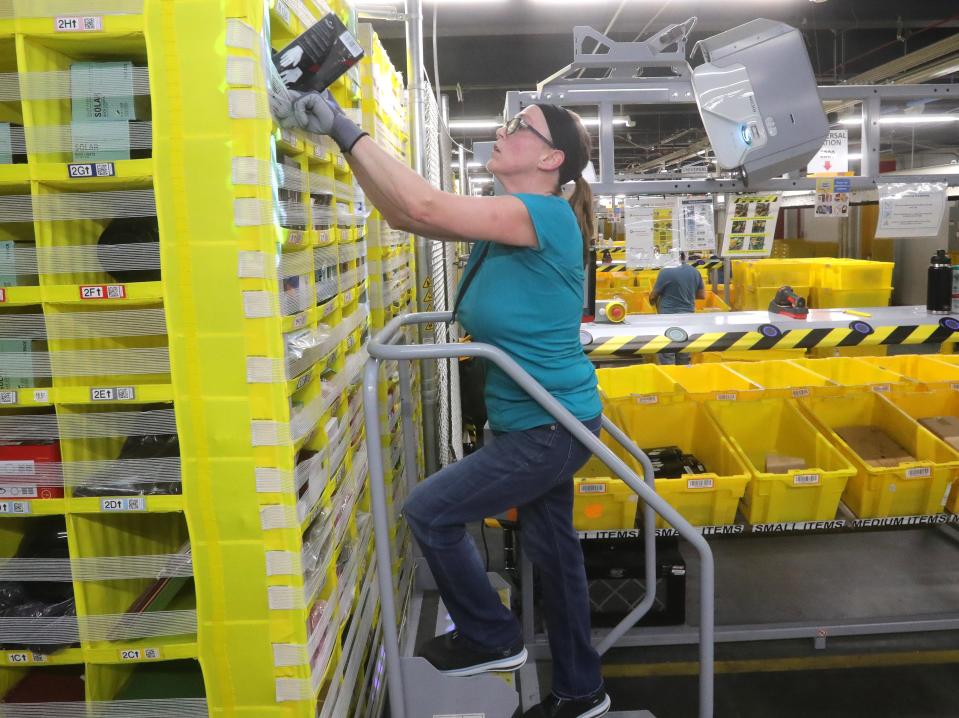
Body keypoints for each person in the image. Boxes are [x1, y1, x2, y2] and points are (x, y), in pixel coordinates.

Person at [273, 90, 611, 718]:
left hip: (551, 424)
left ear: (551, 157)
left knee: (430, 513)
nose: (504, 132)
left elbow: (423, 202)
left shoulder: (543, 215)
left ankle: (492, 636)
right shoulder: (512, 212)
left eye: (520, 127)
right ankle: (581, 689)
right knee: (553, 554)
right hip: (533, 418)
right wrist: (344, 146)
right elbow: (408, 217)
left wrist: (348, 130)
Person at [649, 251, 704, 365]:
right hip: (688, 316)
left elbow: (653, 295)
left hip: (668, 317)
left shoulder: (665, 271)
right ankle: (681, 378)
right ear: (684, 257)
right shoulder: (694, 271)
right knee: (683, 351)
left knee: (667, 351)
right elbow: (702, 295)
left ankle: (669, 378)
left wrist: (652, 302)